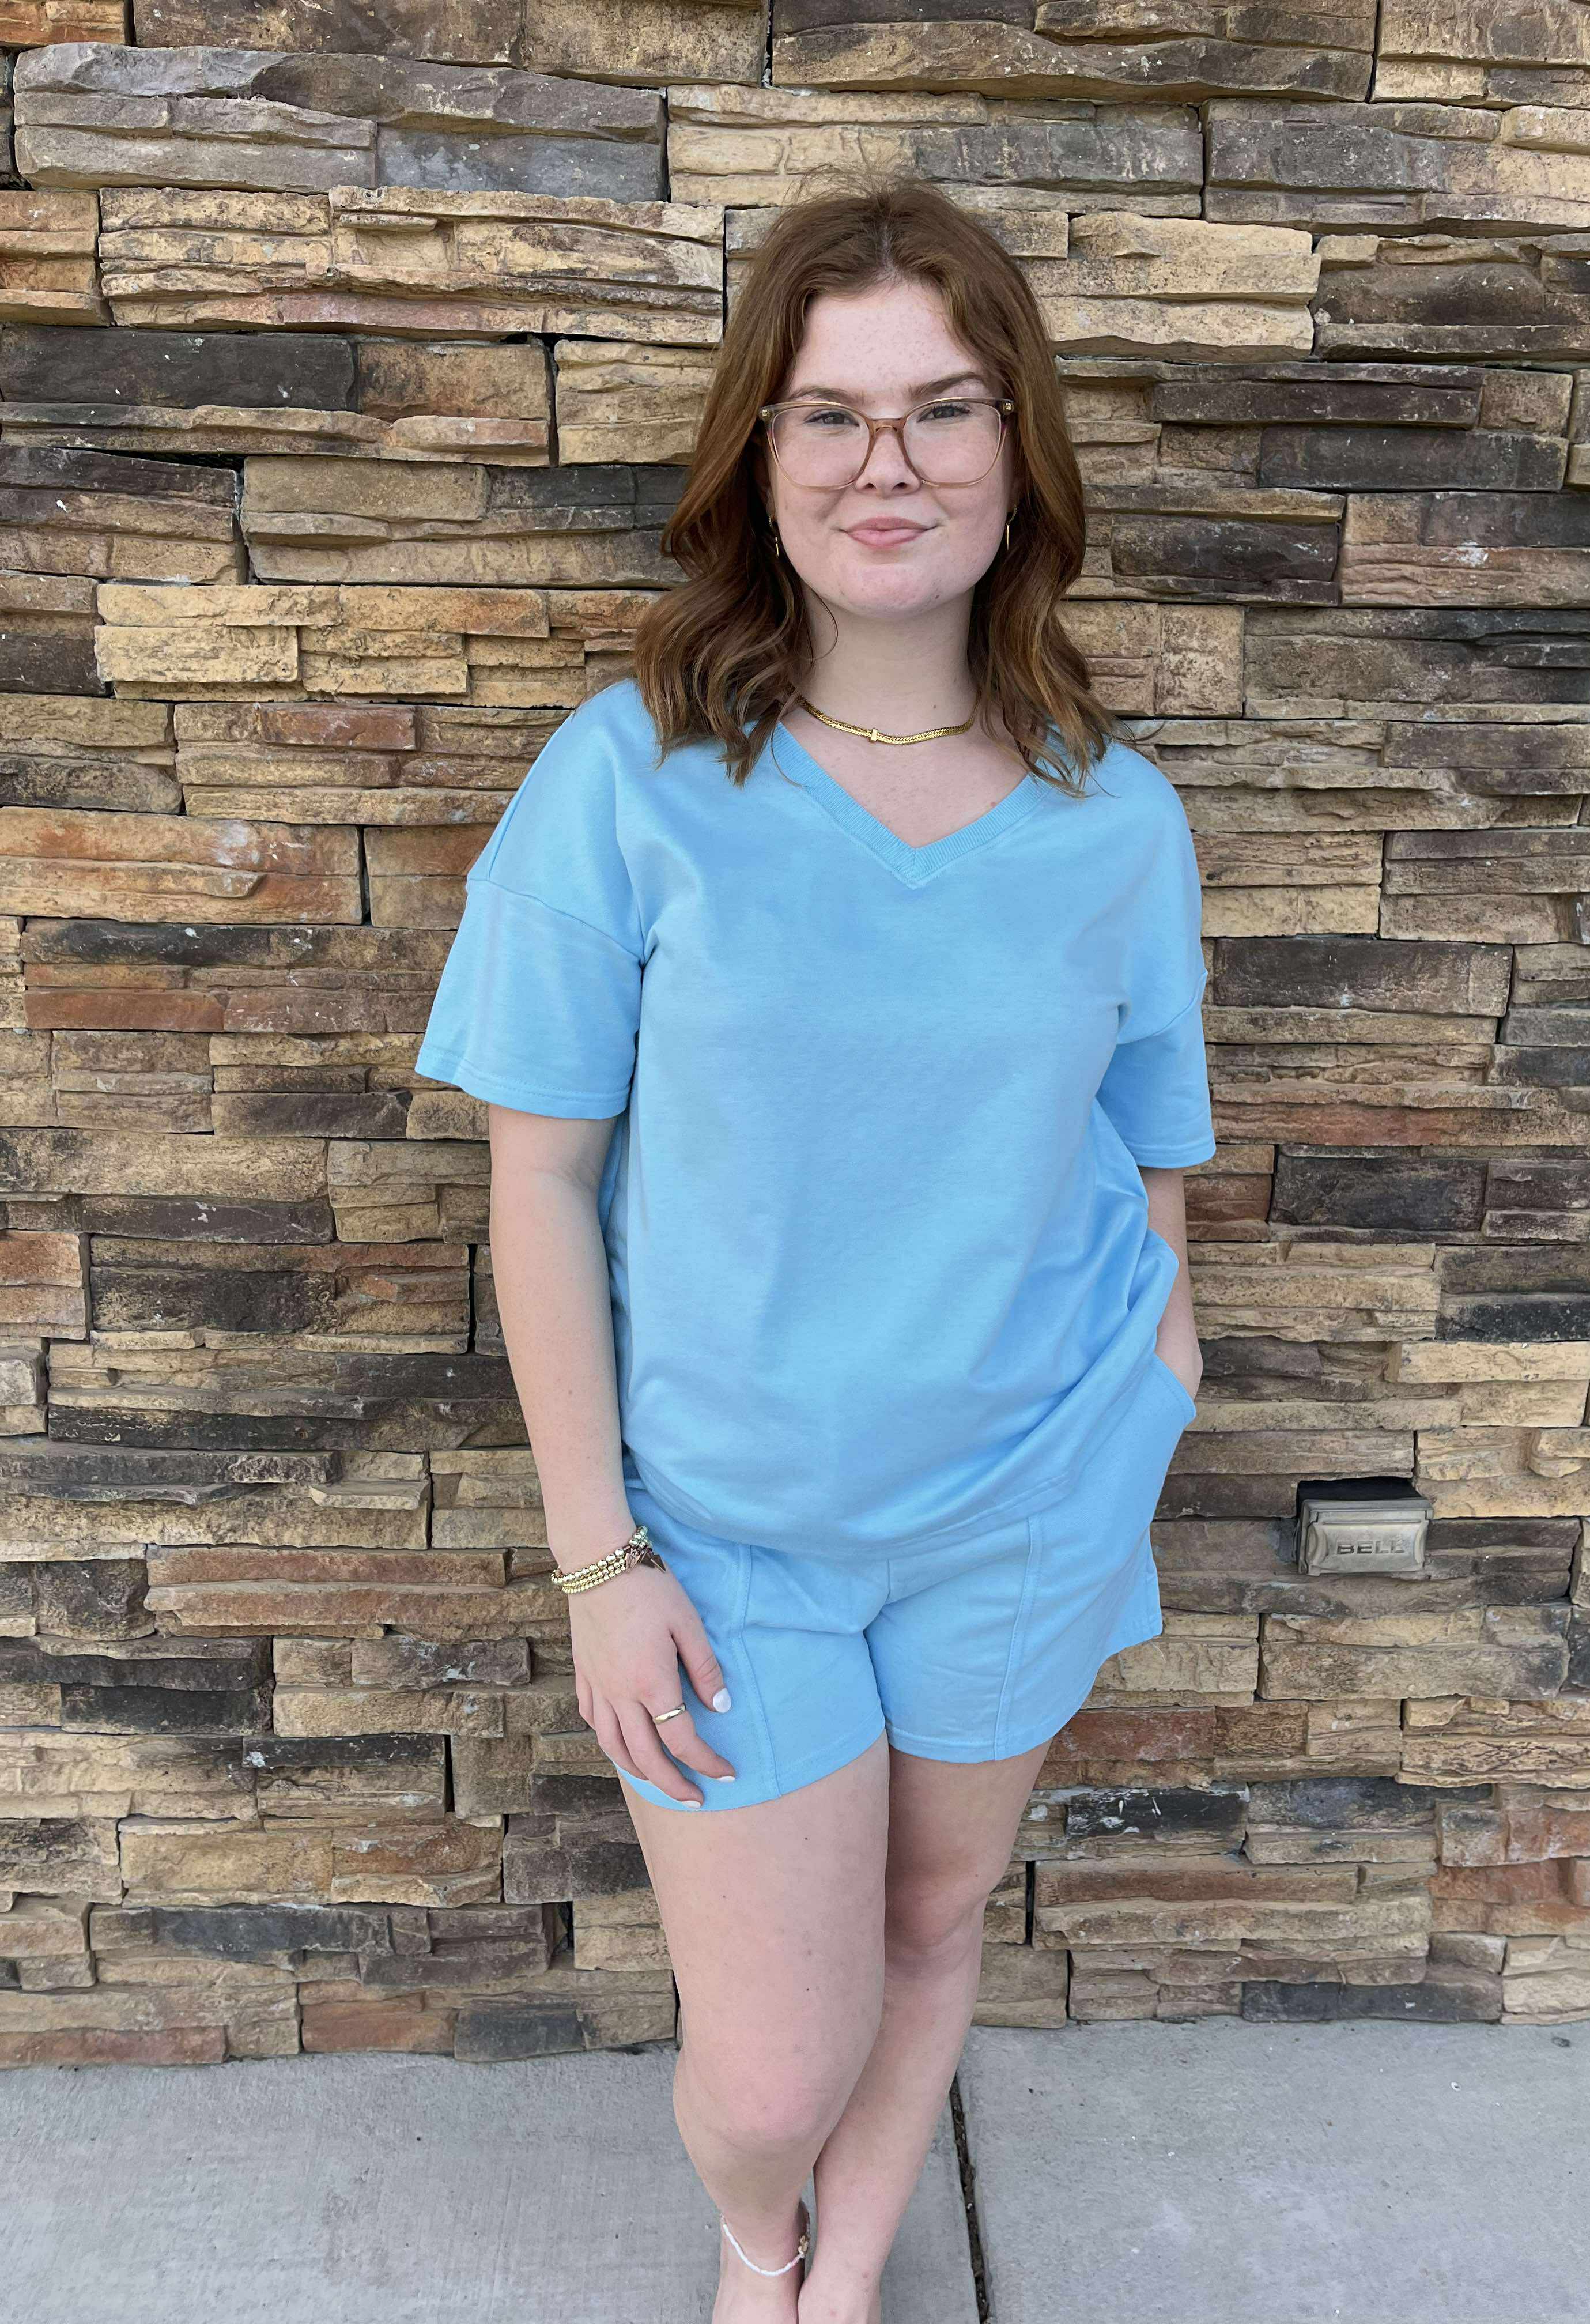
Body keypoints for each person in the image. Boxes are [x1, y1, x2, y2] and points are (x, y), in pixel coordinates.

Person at [414, 169, 1216, 2324]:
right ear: (759, 457)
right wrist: (600, 1558)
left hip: (1023, 1501)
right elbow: (536, 1182)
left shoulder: (1116, 816)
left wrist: (1162, 1366)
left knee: (932, 1928)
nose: (890, 465)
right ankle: (762, 2223)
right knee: (771, 2064)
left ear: (1015, 453)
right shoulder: (634, 780)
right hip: (728, 1528)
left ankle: (836, 2285)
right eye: (833, 414)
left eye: (943, 410)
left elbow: (1150, 1133)